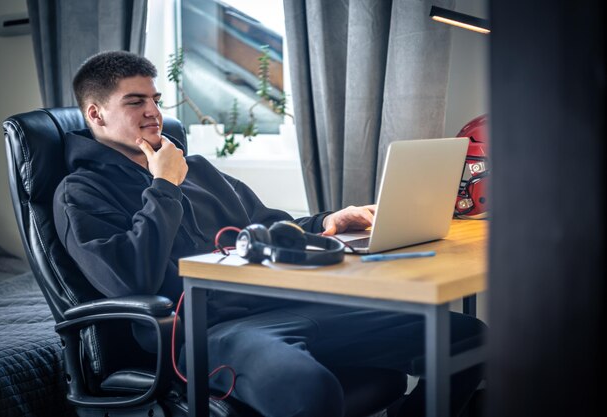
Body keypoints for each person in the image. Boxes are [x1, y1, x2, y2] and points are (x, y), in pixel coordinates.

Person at [53, 50, 485, 417]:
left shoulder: (198, 169)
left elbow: (269, 222)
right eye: (135, 102)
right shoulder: (80, 192)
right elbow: (130, 278)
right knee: (308, 389)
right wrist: (163, 185)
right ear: (96, 113)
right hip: (206, 334)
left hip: (289, 306)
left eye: (155, 98)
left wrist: (331, 220)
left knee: (468, 338)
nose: (153, 111)